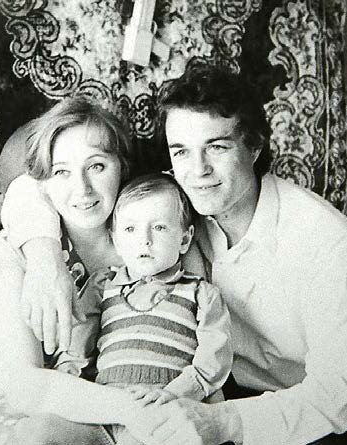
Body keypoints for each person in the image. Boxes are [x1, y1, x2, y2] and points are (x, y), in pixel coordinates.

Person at [0, 64, 347, 444]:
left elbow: (345, 393)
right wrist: (44, 257)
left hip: (296, 420)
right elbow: (29, 184)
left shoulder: (323, 237)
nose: (198, 170)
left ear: (255, 146)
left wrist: (225, 422)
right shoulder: (178, 201)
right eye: (181, 151)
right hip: (201, 400)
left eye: (217, 147)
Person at [0, 96, 159, 445]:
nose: (82, 189)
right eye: (61, 172)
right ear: (41, 182)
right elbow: (23, 385)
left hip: (141, 402)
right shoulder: (11, 252)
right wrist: (131, 410)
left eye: (96, 166)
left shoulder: (151, 234)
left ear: (122, 167)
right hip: (39, 410)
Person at [57, 173, 233, 444]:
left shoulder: (201, 294)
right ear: (116, 240)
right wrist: (66, 377)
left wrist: (176, 393)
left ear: (184, 240)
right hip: (104, 408)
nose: (145, 240)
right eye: (130, 229)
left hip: (163, 408)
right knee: (38, 431)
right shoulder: (104, 286)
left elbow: (214, 359)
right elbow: (78, 342)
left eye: (159, 227)